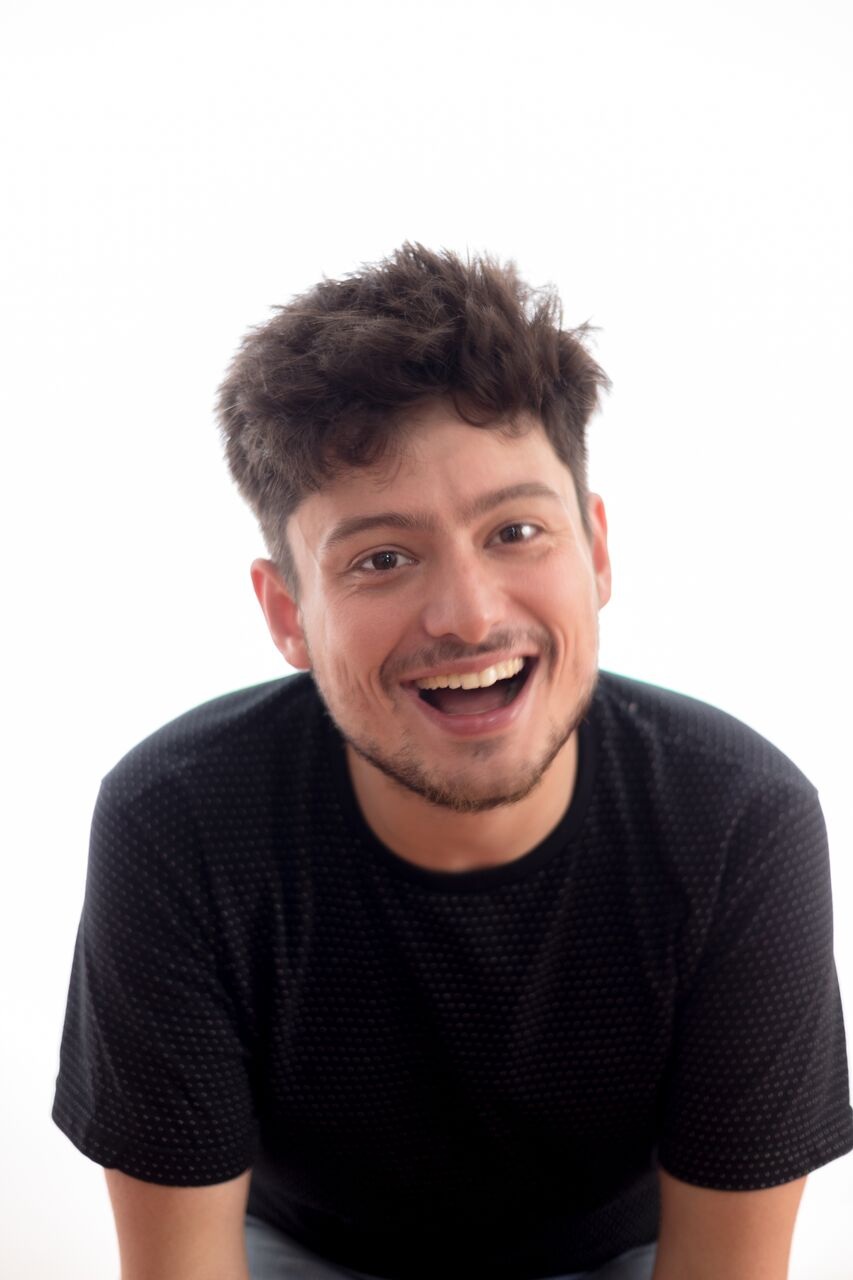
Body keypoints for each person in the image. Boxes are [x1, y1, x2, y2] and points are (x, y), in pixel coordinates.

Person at [53, 243, 853, 1280]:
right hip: (303, 1250)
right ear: (288, 613)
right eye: (381, 558)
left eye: (515, 530)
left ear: (596, 551)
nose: (469, 615)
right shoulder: (178, 821)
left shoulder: (740, 819)